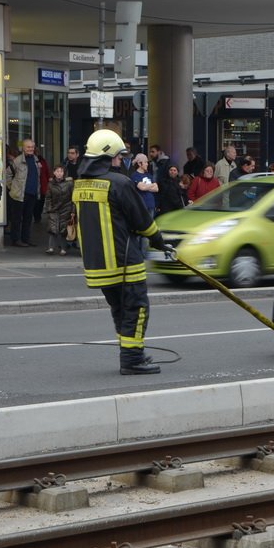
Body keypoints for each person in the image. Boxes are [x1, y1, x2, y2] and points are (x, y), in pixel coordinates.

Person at [74, 128, 167, 375]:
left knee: (119, 309)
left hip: (97, 265)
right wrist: (159, 241)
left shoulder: (80, 184)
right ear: (107, 156)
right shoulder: (119, 183)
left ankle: (130, 354)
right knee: (136, 309)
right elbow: (141, 221)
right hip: (125, 260)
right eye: (117, 156)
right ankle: (132, 359)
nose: (119, 161)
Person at [6, 139, 39, 247]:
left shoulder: (36, 160)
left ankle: (26, 239)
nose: (30, 149)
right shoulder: (17, 161)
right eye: (28, 147)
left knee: (28, 218)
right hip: (19, 195)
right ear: (23, 148)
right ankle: (15, 240)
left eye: (32, 147)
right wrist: (12, 188)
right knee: (17, 219)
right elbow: (7, 175)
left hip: (32, 194)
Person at [45, 165, 75, 256]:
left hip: (66, 208)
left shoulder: (69, 183)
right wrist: (49, 209)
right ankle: (51, 248)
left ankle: (63, 248)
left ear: (63, 173)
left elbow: (73, 198)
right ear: (54, 173)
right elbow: (48, 198)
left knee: (63, 229)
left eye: (61, 171)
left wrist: (73, 211)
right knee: (52, 228)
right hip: (54, 209)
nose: (59, 173)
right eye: (57, 171)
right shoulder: (50, 184)